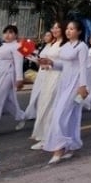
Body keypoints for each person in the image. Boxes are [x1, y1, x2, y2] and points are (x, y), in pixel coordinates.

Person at [43, 20, 89, 164]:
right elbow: (64, 65)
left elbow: (83, 67)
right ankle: (71, 145)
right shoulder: (65, 46)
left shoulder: (81, 47)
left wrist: (83, 86)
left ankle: (59, 148)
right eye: (67, 29)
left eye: (72, 29)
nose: (68, 31)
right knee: (68, 115)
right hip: (64, 83)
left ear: (79, 31)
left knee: (60, 115)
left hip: (75, 85)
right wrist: (51, 63)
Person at [29, 22, 66, 150]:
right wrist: (43, 63)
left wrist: (52, 63)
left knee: (51, 107)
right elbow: (50, 61)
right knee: (43, 105)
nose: (55, 29)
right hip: (48, 76)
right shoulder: (53, 44)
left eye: (58, 27)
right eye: (53, 27)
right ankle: (44, 136)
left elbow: (66, 65)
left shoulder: (65, 45)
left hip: (58, 78)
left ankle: (49, 138)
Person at [0, 25, 26, 137]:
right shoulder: (3, 46)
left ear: (16, 35)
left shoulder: (16, 46)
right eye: (5, 32)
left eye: (11, 32)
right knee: (7, 100)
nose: (7, 35)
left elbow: (18, 63)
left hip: (7, 75)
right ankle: (21, 116)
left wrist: (19, 79)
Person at [24, 30, 54, 120]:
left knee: (45, 92)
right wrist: (32, 58)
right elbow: (39, 60)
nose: (46, 37)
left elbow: (52, 61)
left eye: (48, 35)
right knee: (36, 91)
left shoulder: (53, 47)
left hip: (48, 71)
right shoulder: (44, 47)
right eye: (45, 35)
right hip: (41, 71)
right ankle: (32, 111)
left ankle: (44, 111)